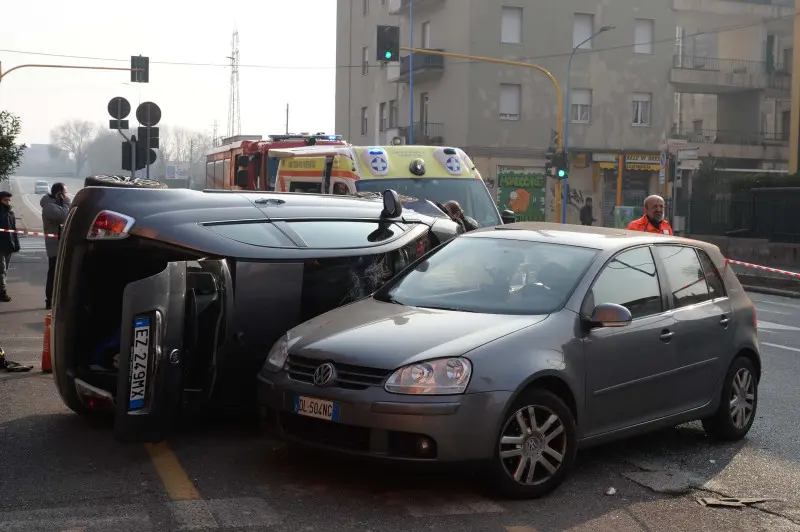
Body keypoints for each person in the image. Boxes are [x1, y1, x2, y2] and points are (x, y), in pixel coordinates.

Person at [41, 182, 71, 310]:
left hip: (61, 245)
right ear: (59, 194)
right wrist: (67, 203)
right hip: (55, 247)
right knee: (53, 274)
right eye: (65, 192)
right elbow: (64, 216)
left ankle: (59, 301)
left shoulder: (56, 204)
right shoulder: (49, 207)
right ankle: (50, 300)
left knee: (62, 275)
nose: (66, 195)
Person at [0, 190, 21, 302]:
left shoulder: (10, 213)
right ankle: (2, 292)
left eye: (9, 200)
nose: (7, 202)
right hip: (1, 246)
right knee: (1, 270)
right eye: (5, 200)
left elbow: (13, 230)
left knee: (5, 270)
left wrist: (16, 244)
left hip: (9, 245)